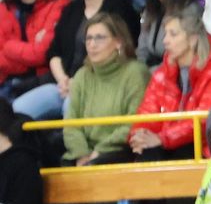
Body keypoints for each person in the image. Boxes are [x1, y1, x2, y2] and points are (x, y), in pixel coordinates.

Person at [13, 0, 138, 120]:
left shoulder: (120, 8)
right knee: (17, 110)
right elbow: (54, 52)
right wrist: (63, 79)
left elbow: (124, 53)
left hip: (99, 85)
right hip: (62, 84)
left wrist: (78, 83)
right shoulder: (72, 8)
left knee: (70, 109)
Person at [129, 9, 211, 184]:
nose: (165, 40)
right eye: (165, 34)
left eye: (173, 34)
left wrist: (162, 138)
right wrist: (139, 134)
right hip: (167, 142)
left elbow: (204, 120)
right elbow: (147, 111)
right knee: (144, 152)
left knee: (155, 151)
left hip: (202, 145)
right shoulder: (162, 74)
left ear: (192, 40)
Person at [58, 13, 148, 168]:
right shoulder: (82, 75)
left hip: (120, 149)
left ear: (118, 42)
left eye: (99, 38)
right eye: (88, 38)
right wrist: (82, 154)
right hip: (85, 153)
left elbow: (135, 122)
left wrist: (100, 151)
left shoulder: (136, 73)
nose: (92, 44)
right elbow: (71, 124)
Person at [0, 0, 68, 97]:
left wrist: (8, 46)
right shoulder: (4, 5)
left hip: (40, 85)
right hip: (6, 83)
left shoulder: (58, 4)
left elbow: (41, 54)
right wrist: (28, 51)